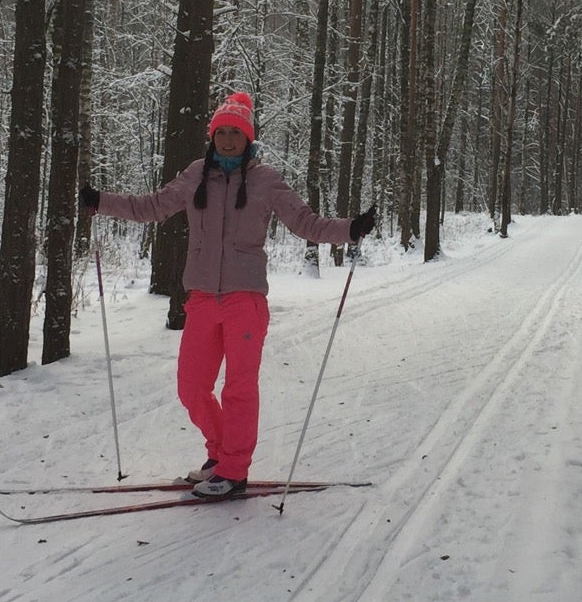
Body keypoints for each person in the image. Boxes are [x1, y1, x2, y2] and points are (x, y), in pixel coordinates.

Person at [80, 91, 375, 500]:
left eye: (237, 131)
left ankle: (234, 469)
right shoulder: (195, 174)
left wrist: (349, 229)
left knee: (239, 387)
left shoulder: (266, 180)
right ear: (213, 134)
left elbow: (305, 223)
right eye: (222, 131)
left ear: (249, 136)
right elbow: (151, 206)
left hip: (245, 300)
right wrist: (101, 202)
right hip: (201, 297)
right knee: (191, 386)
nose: (229, 139)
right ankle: (219, 454)